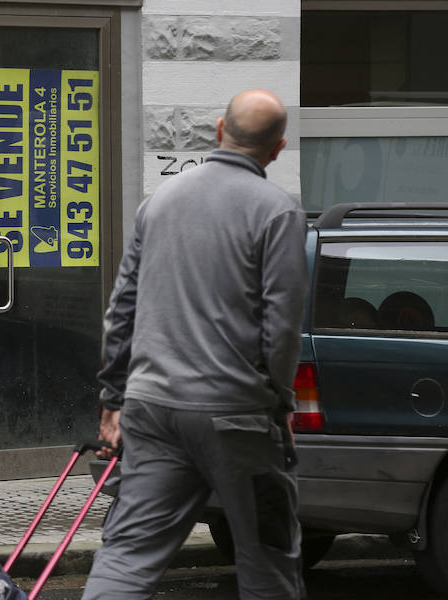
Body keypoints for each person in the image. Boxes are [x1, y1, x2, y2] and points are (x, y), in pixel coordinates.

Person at [82, 89, 309, 600]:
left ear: (219, 129)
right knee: (267, 559)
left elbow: (122, 309)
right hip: (236, 417)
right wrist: (280, 403)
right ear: (278, 149)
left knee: (126, 556)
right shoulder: (278, 211)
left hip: (154, 410)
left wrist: (114, 400)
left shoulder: (159, 201)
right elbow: (282, 326)